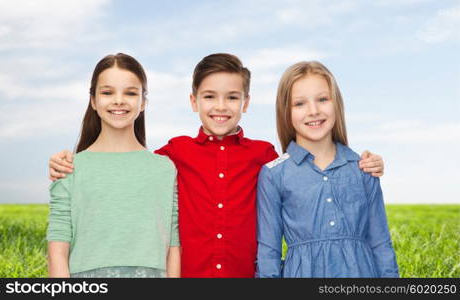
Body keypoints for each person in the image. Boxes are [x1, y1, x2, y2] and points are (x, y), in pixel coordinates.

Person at [48, 53, 385, 278]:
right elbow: (128, 164)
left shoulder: (264, 156)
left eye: (232, 97)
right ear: (194, 101)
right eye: (209, 96)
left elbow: (305, 173)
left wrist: (364, 162)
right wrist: (66, 162)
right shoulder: (174, 154)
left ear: (246, 103)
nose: (220, 106)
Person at [256, 61, 398, 278]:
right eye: (300, 103)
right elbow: (269, 253)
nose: (313, 111)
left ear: (336, 104)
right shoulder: (274, 175)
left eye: (322, 99)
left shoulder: (363, 168)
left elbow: (381, 244)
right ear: (286, 111)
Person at [47, 53, 180, 278]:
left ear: (143, 102)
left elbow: (173, 246)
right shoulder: (70, 167)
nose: (119, 100)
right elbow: (57, 251)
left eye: (130, 93)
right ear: (93, 101)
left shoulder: (164, 169)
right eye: (108, 92)